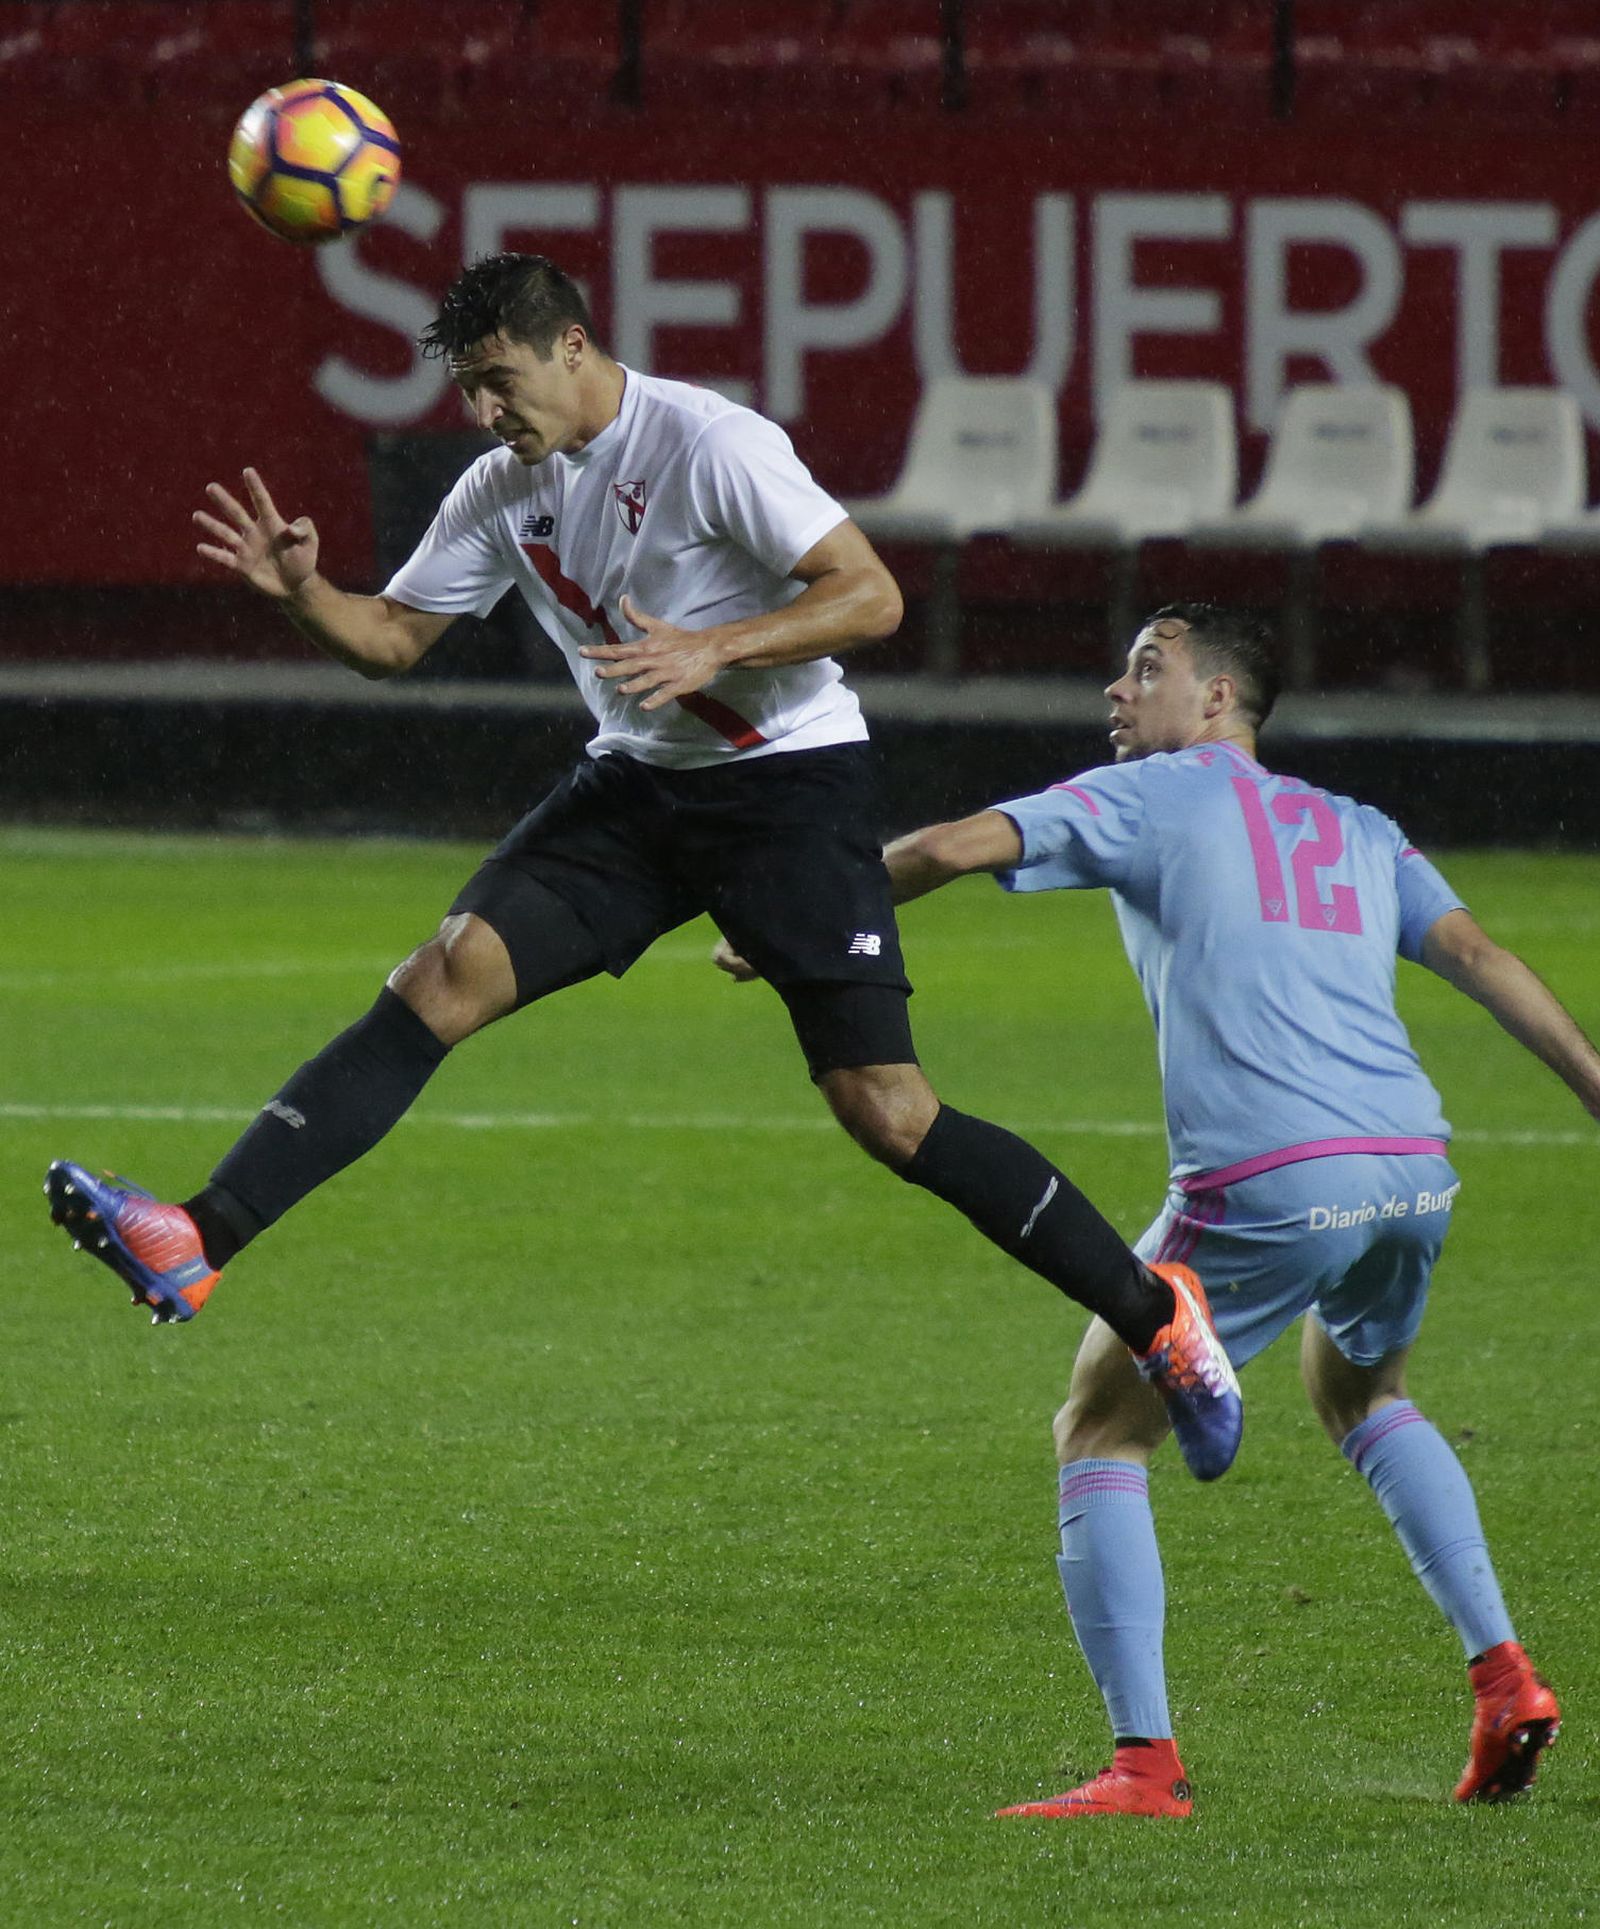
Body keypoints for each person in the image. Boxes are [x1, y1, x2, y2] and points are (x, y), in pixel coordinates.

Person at [42, 253, 1240, 1481]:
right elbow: (390, 640)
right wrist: (302, 592)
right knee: (440, 979)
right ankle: (199, 1234)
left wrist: (718, 646)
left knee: (885, 1110)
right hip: (636, 787)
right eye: (467, 391)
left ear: (571, 347)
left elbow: (869, 597)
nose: (487, 414)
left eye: (500, 381)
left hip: (789, 782)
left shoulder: (709, 443)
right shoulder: (504, 487)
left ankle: (1157, 1319)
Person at [718, 601, 1596, 1816]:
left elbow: (955, 845)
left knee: (1099, 1428)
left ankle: (1143, 1768)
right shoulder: (1360, 826)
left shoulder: (1156, 793)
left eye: (1148, 667)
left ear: (1218, 701)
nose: (1116, 694)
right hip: (1412, 1167)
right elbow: (1482, 957)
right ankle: (1505, 1677)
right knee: (1361, 1394)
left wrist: (804, 923)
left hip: (1266, 1184)